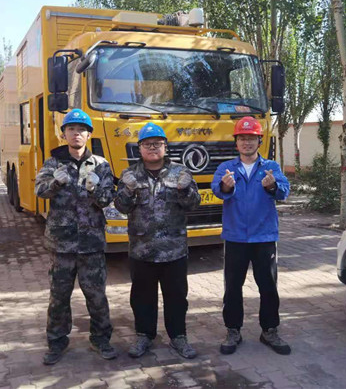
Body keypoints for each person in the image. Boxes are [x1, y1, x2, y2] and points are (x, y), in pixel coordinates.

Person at [35, 109, 117, 365]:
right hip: (62, 243)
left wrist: (95, 190)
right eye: (71, 129)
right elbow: (40, 191)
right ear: (64, 133)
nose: (76, 133)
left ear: (89, 134)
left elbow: (107, 199)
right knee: (59, 296)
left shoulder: (101, 165)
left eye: (82, 129)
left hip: (91, 243)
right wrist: (55, 183)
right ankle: (57, 342)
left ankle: (101, 339)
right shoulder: (53, 163)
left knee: (96, 295)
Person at [114, 122, 201, 359]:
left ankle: (178, 337)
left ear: (165, 146)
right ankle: (144, 336)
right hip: (142, 250)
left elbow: (193, 204)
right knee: (142, 298)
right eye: (147, 144)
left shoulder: (180, 172)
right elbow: (121, 207)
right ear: (139, 148)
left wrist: (185, 190)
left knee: (177, 297)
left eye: (157, 143)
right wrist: (128, 190)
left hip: (174, 250)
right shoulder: (129, 174)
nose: (152, 148)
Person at [211, 116, 291, 356]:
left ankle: (269, 330)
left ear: (259, 141)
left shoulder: (271, 167)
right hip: (235, 237)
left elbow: (284, 191)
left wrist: (271, 186)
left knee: (268, 286)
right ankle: (233, 330)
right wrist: (225, 186)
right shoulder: (226, 168)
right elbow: (217, 190)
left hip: (264, 237)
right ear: (236, 142)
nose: (247, 143)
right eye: (242, 138)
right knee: (233, 287)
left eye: (251, 138)